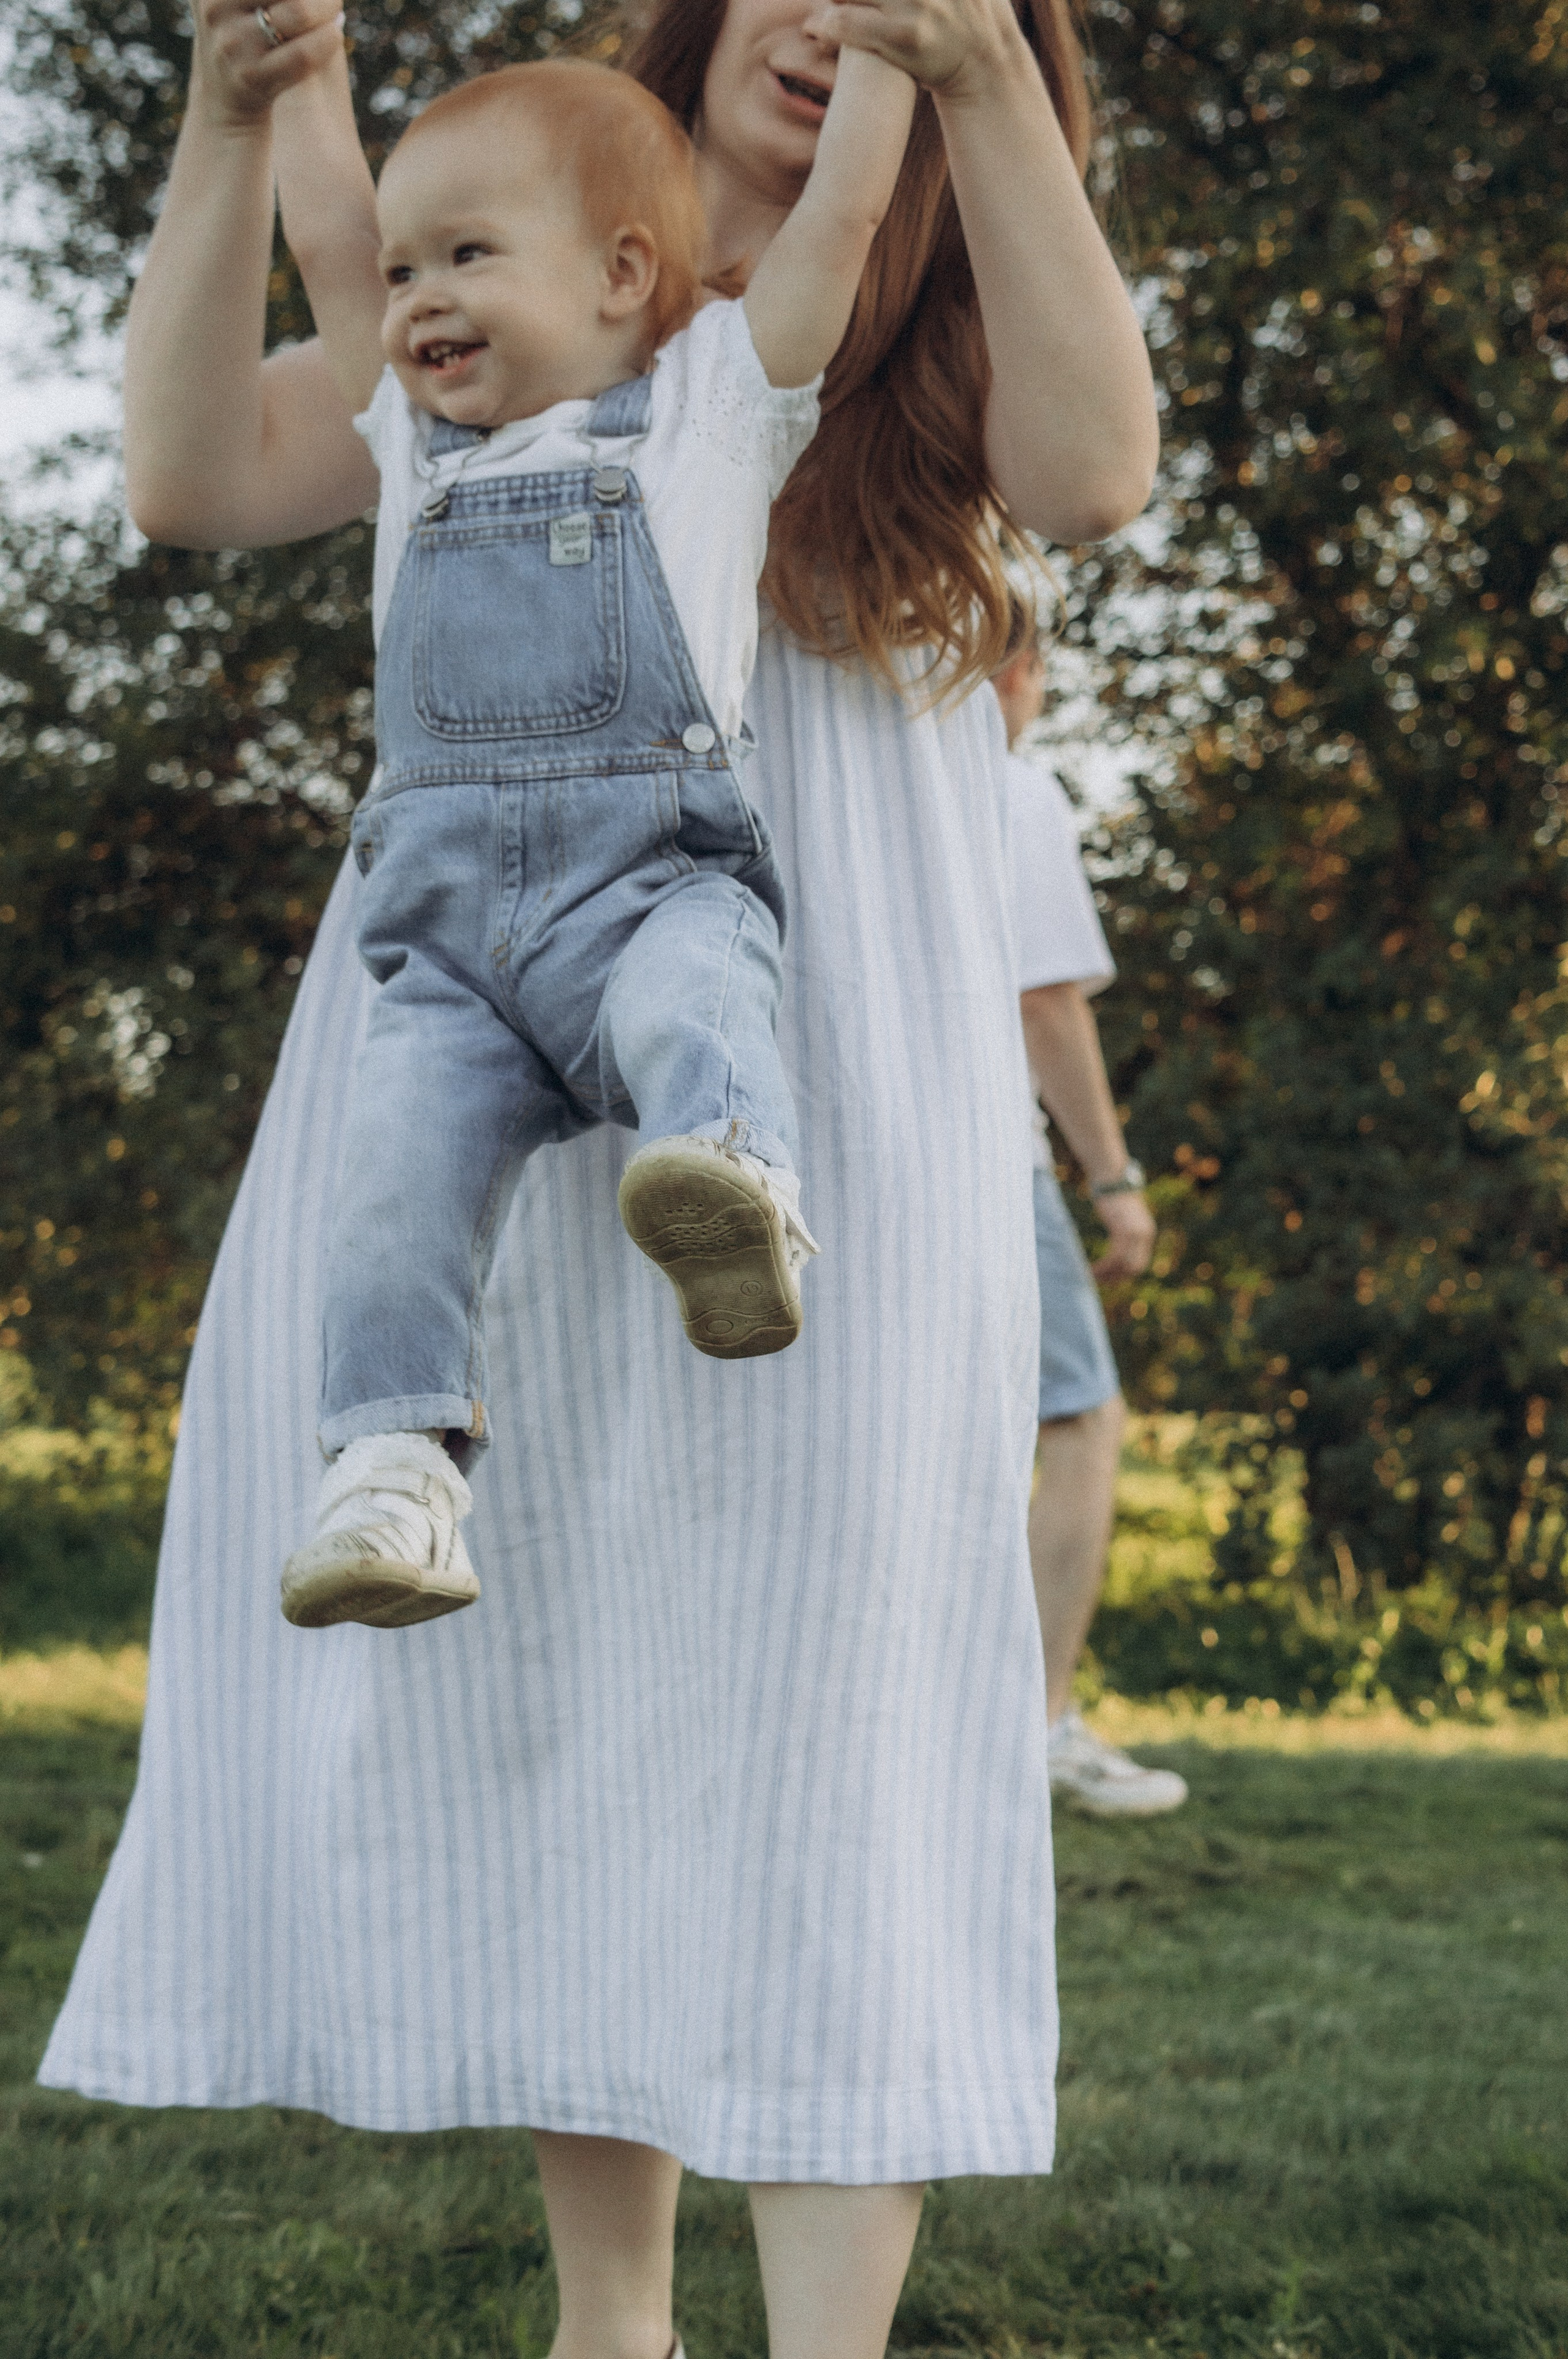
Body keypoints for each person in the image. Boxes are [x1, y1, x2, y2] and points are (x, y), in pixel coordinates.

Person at [39, 5, 1158, 2355]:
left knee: (847, 1654)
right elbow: (186, 477)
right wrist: (233, 133)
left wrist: (967, 94)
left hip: (816, 1017)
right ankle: (612, 2322)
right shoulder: (507, 267)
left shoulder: (905, 319)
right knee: (576, 1638)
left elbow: (1100, 474)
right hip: (481, 1017)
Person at [270, 50, 916, 1632]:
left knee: (692, 999)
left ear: (628, 273)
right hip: (447, 970)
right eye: (409, 267)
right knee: (389, 1188)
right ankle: (394, 1473)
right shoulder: (413, 447)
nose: (414, 294)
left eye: (468, 255)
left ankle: (730, 1179)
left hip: (650, 889)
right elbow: (331, 238)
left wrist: (901, 51)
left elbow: (839, 219)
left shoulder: (708, 404)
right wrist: (297, 59)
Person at [994, 628, 1187, 1815]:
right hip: (980, 1157)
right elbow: (1047, 1003)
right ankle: (1035, 1726)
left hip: (811, 1158)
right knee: (1081, 1416)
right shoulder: (1009, 790)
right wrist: (1112, 1181)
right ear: (1010, 665)